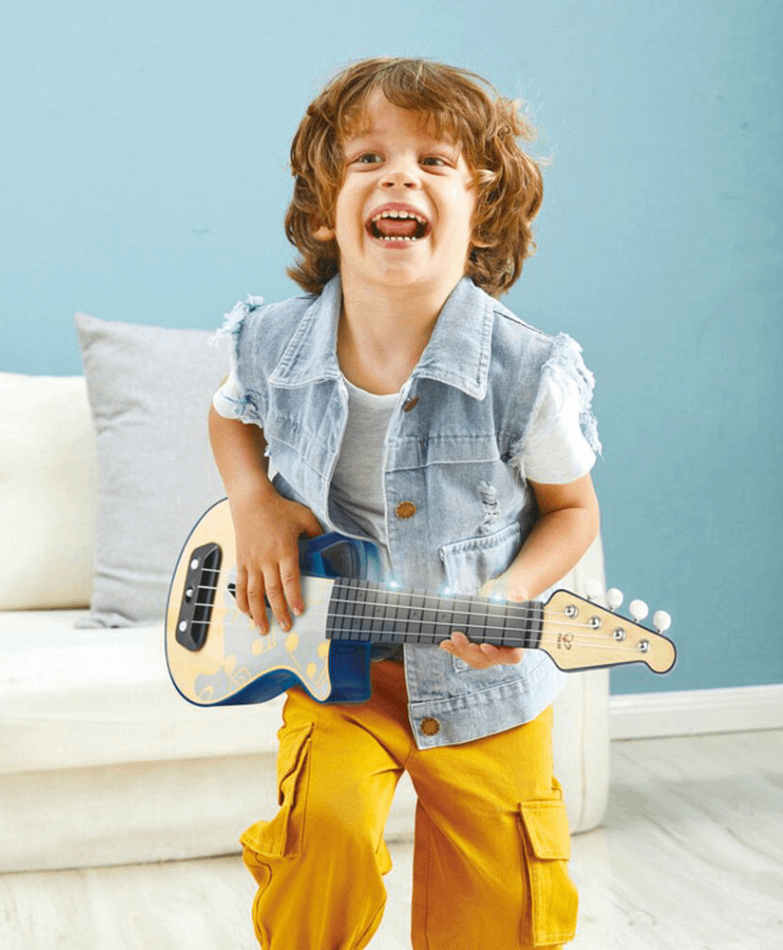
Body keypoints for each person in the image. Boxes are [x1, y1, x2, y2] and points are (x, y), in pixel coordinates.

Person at [208, 56, 601, 950]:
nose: (399, 178)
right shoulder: (272, 342)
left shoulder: (525, 372)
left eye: (434, 162)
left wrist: (511, 594)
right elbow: (228, 413)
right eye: (368, 159)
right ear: (325, 206)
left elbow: (574, 511)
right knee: (324, 835)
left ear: (480, 208)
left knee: (500, 913)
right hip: (334, 666)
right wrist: (253, 502)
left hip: (480, 689)